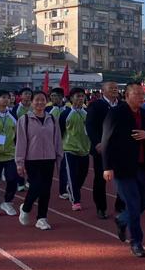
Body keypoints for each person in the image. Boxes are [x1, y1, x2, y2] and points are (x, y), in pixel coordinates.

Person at [102, 82, 145, 257]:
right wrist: (107, 167)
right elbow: (107, 141)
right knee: (134, 205)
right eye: (137, 94)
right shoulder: (116, 113)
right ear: (126, 95)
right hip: (122, 167)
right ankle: (136, 242)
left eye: (142, 94)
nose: (141, 97)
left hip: (142, 166)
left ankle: (122, 219)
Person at [16, 91, 63, 230]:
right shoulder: (24, 120)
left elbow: (57, 140)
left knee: (46, 189)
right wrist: (20, 162)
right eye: (36, 100)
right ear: (31, 102)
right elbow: (21, 142)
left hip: (49, 158)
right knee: (36, 185)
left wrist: (59, 159)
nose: (40, 103)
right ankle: (26, 207)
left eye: (43, 100)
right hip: (32, 159)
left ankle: (42, 218)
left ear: (46, 101)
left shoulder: (52, 119)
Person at [85, 81, 125, 219]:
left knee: (123, 178)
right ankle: (101, 208)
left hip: (120, 149)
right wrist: (97, 143)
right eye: (111, 88)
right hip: (101, 149)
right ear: (103, 90)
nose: (115, 90)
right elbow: (90, 126)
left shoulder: (122, 105)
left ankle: (120, 206)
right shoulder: (96, 106)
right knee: (100, 179)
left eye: (116, 88)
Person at [59, 87, 90, 211]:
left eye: (82, 96)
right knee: (71, 175)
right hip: (69, 149)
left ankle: (72, 188)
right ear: (71, 98)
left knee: (82, 175)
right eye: (77, 96)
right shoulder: (66, 113)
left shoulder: (87, 113)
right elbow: (60, 131)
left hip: (85, 149)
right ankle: (76, 200)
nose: (80, 98)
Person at [12, 87, 33, 192]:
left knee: (31, 160)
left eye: (29, 94)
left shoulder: (34, 107)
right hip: (19, 138)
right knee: (20, 161)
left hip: (32, 138)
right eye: (25, 93)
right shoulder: (16, 109)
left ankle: (29, 180)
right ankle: (20, 182)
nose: (28, 95)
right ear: (20, 96)